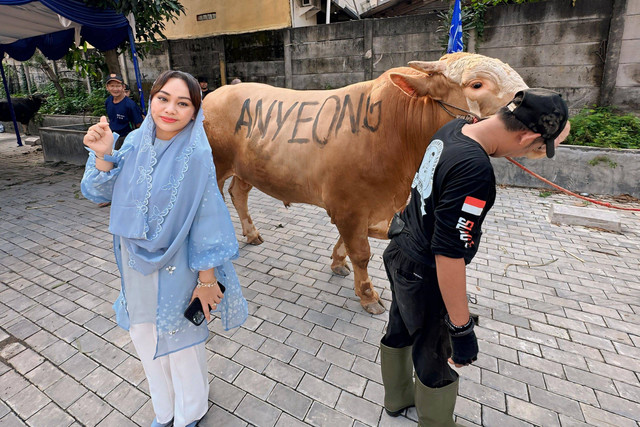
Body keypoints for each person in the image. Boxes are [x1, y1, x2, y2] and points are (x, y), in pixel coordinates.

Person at [380, 88, 570, 426]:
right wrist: (461, 328)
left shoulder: (455, 129)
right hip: (425, 271)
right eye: (535, 148)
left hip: (399, 252)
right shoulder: (474, 170)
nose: (529, 154)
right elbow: (449, 254)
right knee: (433, 352)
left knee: (399, 326)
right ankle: (435, 422)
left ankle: (396, 398)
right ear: (525, 134)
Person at [81, 70, 248, 427]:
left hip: (179, 264)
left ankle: (191, 410)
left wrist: (206, 281)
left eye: (182, 103)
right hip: (134, 262)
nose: (170, 109)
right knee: (143, 334)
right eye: (163, 98)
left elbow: (207, 222)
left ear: (194, 111)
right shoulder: (134, 143)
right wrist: (103, 155)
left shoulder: (197, 155)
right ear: (151, 100)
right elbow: (98, 192)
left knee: (180, 339)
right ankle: (165, 409)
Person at [104, 74, 144, 151]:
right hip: (112, 137)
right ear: (107, 87)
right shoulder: (108, 101)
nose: (115, 89)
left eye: (118, 86)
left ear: (123, 87)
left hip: (126, 139)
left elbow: (139, 124)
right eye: (112, 86)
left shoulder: (130, 105)